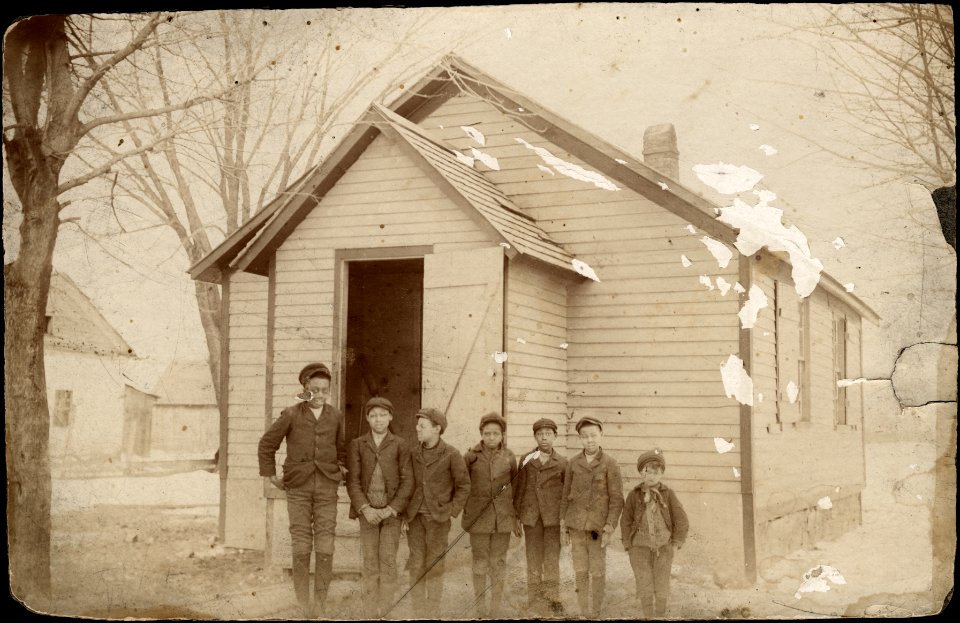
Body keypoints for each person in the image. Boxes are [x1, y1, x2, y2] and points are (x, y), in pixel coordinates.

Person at [258, 362, 346, 617]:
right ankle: (303, 602)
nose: (319, 395)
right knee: (301, 541)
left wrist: (340, 470)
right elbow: (266, 445)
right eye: (315, 389)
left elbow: (341, 449)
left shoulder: (336, 416)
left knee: (326, 540)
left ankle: (320, 602)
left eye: (324, 390)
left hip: (327, 487)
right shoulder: (291, 414)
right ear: (305, 388)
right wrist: (270, 475)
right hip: (298, 486)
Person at [346, 397, 414, 619]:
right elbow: (353, 481)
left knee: (387, 559)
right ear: (367, 418)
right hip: (368, 514)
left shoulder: (400, 444)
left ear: (391, 417)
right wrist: (365, 508)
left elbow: (408, 481)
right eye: (373, 415)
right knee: (369, 561)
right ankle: (369, 610)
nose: (378, 420)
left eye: (383, 415)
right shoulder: (358, 444)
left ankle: (385, 609)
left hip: (391, 514)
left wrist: (392, 509)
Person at [401, 407, 471, 617]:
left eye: (422, 426)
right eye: (417, 425)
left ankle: (432, 611)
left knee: (435, 565)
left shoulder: (451, 454)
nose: (417, 429)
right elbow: (407, 483)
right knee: (416, 564)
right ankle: (418, 611)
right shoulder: (413, 453)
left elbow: (464, 485)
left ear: (437, 429)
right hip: (415, 519)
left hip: (438, 520)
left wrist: (451, 510)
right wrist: (405, 514)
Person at [559, 415, 624, 616]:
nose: (590, 440)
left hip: (598, 528)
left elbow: (616, 499)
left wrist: (609, 526)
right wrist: (564, 524)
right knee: (580, 569)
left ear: (601, 435)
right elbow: (565, 495)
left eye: (593, 435)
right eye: (585, 436)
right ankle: (583, 609)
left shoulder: (610, 464)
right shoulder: (573, 463)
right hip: (576, 526)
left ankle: (595, 611)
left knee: (597, 569)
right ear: (580, 439)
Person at [462, 412, 520, 618]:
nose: (491, 437)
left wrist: (515, 517)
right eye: (487, 433)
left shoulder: (509, 456)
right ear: (481, 434)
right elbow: (463, 486)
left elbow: (516, 486)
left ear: (502, 435)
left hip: (502, 520)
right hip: (478, 520)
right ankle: (480, 609)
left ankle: (494, 609)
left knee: (498, 561)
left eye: (496, 433)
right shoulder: (470, 457)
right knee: (479, 561)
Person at [621, 448, 689, 617]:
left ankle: (660, 614)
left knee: (661, 580)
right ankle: (647, 614)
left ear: (661, 474)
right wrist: (628, 544)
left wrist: (677, 541)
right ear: (640, 473)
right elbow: (626, 520)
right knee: (644, 580)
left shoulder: (668, 495)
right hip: (639, 548)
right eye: (646, 472)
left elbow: (681, 518)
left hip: (663, 547)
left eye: (655, 472)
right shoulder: (634, 495)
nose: (651, 476)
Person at [513, 417, 567, 616]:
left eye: (548, 434)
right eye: (540, 434)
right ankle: (534, 599)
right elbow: (519, 489)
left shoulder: (562, 463)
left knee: (552, 560)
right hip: (531, 517)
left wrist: (563, 521)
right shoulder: (527, 460)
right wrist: (516, 516)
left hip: (552, 520)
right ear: (535, 436)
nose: (544, 438)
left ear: (555, 436)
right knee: (533, 559)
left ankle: (553, 599)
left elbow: (565, 494)